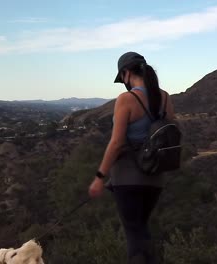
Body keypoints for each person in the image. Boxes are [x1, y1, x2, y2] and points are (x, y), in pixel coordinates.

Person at [88, 51, 175, 264]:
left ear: (126, 73)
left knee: (134, 235)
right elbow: (170, 134)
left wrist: (100, 177)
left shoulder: (126, 99)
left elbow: (116, 143)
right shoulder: (165, 97)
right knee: (141, 229)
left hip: (127, 179)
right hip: (155, 179)